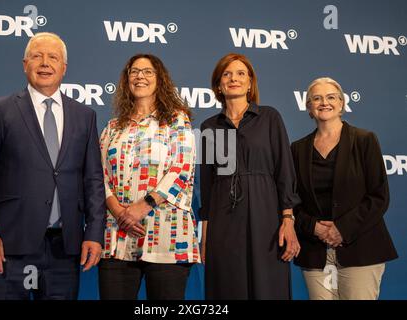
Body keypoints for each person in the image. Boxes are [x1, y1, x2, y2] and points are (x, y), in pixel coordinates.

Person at [0, 32, 106, 300]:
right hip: (7, 247)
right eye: (37, 56)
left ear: (64, 68)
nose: (45, 63)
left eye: (53, 57)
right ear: (24, 64)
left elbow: (93, 180)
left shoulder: (85, 116)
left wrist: (95, 233)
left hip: (64, 249)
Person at [199, 53, 301, 300]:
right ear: (218, 85)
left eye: (241, 73)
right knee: (228, 287)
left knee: (268, 287)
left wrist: (288, 219)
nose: (234, 78)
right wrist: (205, 235)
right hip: (224, 219)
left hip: (265, 216)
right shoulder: (209, 126)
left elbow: (284, 171)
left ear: (250, 82)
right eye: (227, 74)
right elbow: (208, 184)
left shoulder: (269, 117)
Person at [98, 53, 199, 300]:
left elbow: (181, 169)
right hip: (117, 235)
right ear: (126, 80)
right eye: (134, 71)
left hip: (166, 237)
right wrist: (119, 211)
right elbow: (96, 175)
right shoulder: (113, 127)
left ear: (159, 79)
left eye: (147, 71)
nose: (140, 76)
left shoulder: (176, 120)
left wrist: (142, 207)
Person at [291, 77, 398, 300]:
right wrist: (315, 228)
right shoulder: (297, 149)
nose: (324, 102)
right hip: (315, 251)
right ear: (308, 107)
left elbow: (379, 197)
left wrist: (342, 229)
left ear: (341, 104)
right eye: (316, 98)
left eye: (331, 97)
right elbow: (292, 201)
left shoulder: (364, 140)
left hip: (361, 247)